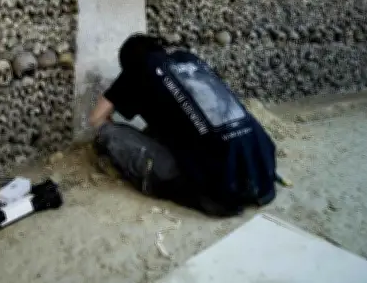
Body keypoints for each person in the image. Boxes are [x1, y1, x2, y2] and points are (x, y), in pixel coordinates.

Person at [89, 33, 278, 217]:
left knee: (107, 132)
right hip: (262, 172)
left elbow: (96, 119)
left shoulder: (137, 67)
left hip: (216, 192)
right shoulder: (191, 61)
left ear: (127, 63)